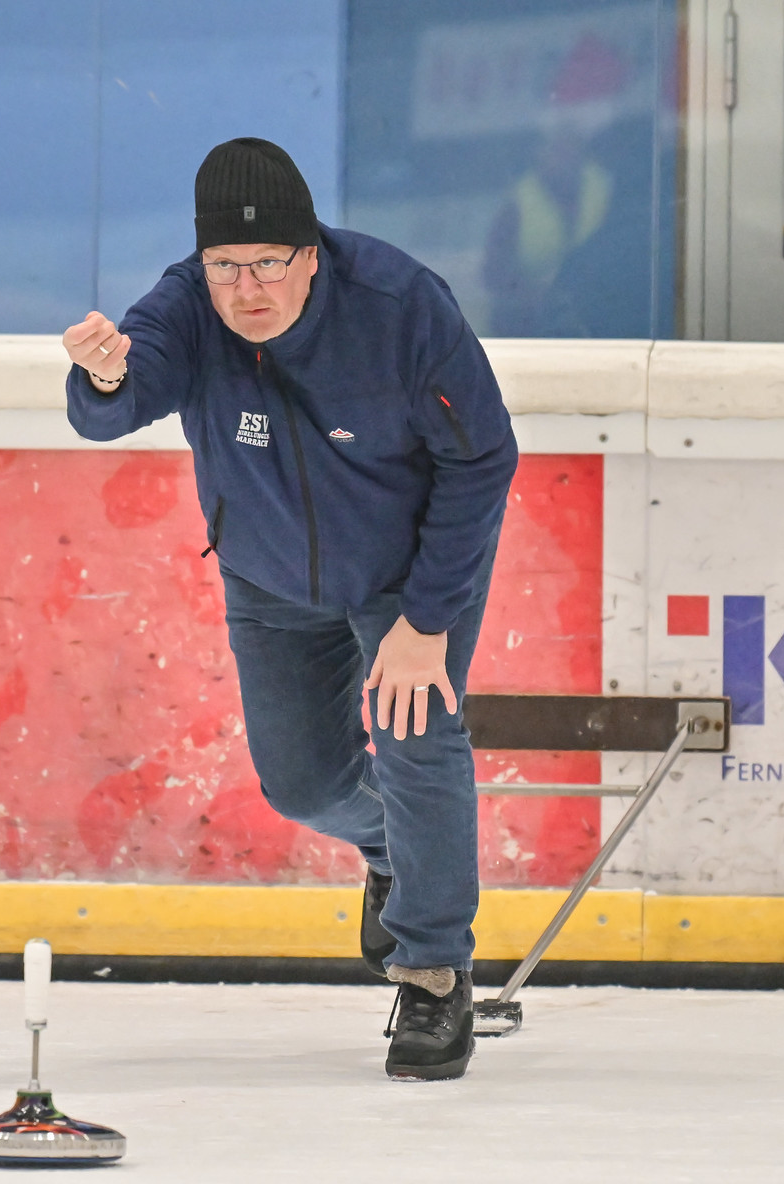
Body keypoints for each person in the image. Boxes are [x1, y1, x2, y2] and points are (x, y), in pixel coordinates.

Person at [61, 137, 518, 1081]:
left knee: (417, 739)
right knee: (301, 785)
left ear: (312, 254)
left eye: (270, 263)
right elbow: (119, 400)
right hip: (270, 578)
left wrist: (427, 620)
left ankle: (433, 973)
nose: (248, 289)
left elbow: (481, 457)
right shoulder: (189, 306)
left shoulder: (399, 307)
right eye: (227, 266)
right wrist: (103, 377)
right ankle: (394, 847)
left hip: (406, 575)